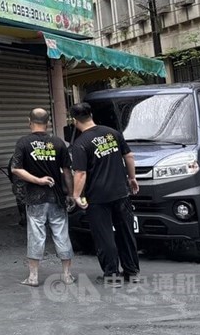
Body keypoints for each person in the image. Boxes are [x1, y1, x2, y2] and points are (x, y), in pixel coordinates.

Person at [69, 102, 141, 287]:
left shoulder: (80, 144)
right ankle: (132, 272)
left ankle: (112, 276)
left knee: (104, 236)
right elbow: (129, 156)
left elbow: (80, 173)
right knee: (126, 233)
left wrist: (76, 195)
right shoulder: (112, 133)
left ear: (74, 120)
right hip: (121, 192)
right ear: (91, 114)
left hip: (98, 197)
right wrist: (132, 178)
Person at [10, 108, 75, 287]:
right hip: (57, 198)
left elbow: (15, 168)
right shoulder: (58, 142)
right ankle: (67, 275)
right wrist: (71, 193)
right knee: (61, 235)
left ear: (29, 121)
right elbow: (68, 172)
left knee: (36, 236)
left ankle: (33, 277)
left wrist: (37, 180)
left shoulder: (23, 143)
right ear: (48, 122)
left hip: (34, 198)